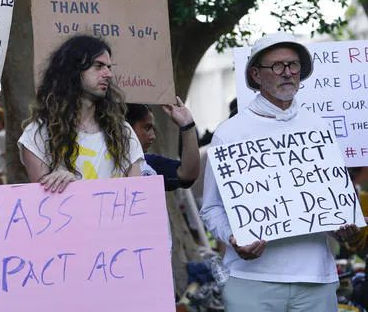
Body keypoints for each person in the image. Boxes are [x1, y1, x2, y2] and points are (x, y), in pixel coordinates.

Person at [199, 32, 359, 312]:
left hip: (316, 280)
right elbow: (211, 208)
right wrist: (232, 238)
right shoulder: (229, 133)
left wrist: (344, 226)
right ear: (255, 75)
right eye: (277, 66)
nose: (287, 73)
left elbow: (333, 202)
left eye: (293, 65)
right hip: (251, 281)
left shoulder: (321, 129)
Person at [18, 34, 143, 190]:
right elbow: (42, 204)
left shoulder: (123, 132)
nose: (108, 74)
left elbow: (137, 197)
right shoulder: (37, 134)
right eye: (98, 66)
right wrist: (64, 184)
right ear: (73, 71)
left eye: (109, 67)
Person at [125, 103, 200, 191]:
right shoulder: (106, 163)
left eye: (153, 129)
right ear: (126, 128)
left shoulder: (149, 163)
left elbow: (187, 174)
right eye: (147, 128)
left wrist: (188, 126)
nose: (153, 136)